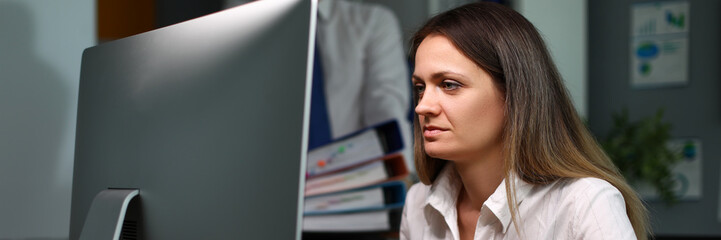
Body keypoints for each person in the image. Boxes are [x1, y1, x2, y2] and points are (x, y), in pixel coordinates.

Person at [400, 2, 649, 240]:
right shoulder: (417, 204)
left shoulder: (585, 204)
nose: (423, 106)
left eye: (449, 85)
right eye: (420, 87)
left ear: (514, 94)